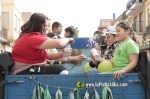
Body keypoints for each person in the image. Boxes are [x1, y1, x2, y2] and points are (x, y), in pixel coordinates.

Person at [10, 13, 74, 75]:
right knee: (61, 70)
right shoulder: (32, 38)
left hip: (29, 67)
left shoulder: (29, 36)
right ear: (38, 25)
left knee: (58, 68)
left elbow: (46, 55)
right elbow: (59, 43)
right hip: (24, 69)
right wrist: (69, 39)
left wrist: (61, 54)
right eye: (45, 25)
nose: (46, 28)